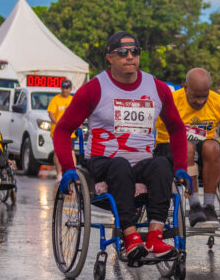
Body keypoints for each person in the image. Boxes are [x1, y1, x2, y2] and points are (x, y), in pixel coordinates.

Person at [53, 31, 188, 262]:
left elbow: (177, 129)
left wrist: (181, 166)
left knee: (161, 165)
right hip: (104, 162)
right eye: (122, 52)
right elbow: (63, 130)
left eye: (135, 51)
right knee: (120, 164)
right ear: (109, 58)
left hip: (141, 163)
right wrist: (68, 168)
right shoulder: (94, 88)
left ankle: (155, 237)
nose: (129, 56)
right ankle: (131, 237)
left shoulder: (158, 88)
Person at [154, 68, 220, 227]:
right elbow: (147, 129)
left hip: (203, 152)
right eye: (196, 97)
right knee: (187, 147)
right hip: (169, 149)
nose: (200, 101)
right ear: (185, 88)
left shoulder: (218, 102)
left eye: (204, 96)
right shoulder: (170, 101)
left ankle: (209, 206)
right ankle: (195, 205)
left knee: (213, 147)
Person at [47, 79, 74, 181]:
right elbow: (51, 114)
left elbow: (77, 113)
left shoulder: (73, 99)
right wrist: (58, 123)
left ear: (70, 89)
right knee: (58, 152)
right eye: (63, 88)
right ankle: (59, 174)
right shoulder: (56, 99)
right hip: (57, 131)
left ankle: (72, 172)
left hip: (70, 131)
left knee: (70, 152)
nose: (65, 90)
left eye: (67, 88)